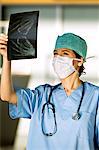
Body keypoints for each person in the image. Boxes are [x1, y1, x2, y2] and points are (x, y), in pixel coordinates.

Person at [0, 33, 99, 150]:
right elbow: (7, 96)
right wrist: (7, 59)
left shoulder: (94, 97)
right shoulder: (42, 95)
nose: (58, 58)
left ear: (80, 60)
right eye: (56, 54)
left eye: (65, 53)